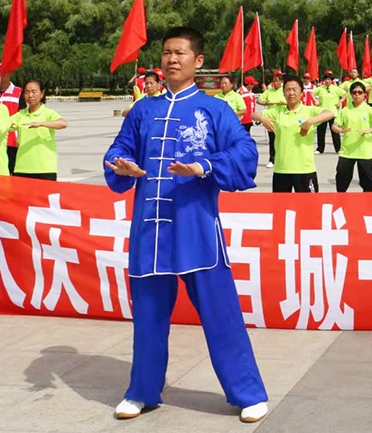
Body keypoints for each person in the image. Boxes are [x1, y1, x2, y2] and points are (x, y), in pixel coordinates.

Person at [103, 27, 268, 423]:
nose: (171, 59)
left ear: (198, 61)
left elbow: (245, 152)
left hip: (196, 229)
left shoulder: (214, 110)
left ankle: (247, 393)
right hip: (150, 230)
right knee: (147, 315)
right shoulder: (143, 110)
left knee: (220, 313)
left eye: (180, 53)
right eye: (166, 53)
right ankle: (143, 391)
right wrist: (120, 164)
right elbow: (119, 149)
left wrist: (204, 165)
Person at [252, 75, 334, 192]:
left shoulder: (309, 111)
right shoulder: (277, 112)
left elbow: (330, 113)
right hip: (282, 169)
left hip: (305, 169)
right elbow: (253, 115)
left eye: (295, 89)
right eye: (287, 90)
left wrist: (309, 122)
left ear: (301, 93)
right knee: (280, 209)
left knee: (309, 208)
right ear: (284, 93)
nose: (291, 93)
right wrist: (262, 118)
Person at [331, 81, 372, 192]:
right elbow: (334, 126)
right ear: (351, 94)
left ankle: (369, 205)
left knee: (368, 182)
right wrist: (340, 130)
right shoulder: (345, 110)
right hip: (347, 151)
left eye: (360, 92)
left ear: (364, 95)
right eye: (354, 92)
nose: (357, 95)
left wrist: (370, 130)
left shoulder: (369, 110)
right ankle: (341, 203)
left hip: (364, 151)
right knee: (341, 180)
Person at [10, 79, 68, 180]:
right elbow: (4, 124)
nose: (30, 95)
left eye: (34, 91)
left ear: (41, 94)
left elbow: (63, 123)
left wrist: (41, 123)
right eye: (27, 92)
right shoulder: (20, 115)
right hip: (22, 168)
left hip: (44, 169)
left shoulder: (48, 113)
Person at [0, 63, 25, 174]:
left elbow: (23, 116)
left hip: (12, 141)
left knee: (13, 171)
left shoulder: (19, 93)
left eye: (1, 73)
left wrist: (21, 137)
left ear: (10, 73)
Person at [256, 70, 286, 167]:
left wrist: (283, 103)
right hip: (270, 119)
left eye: (277, 81)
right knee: (272, 139)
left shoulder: (285, 90)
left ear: (281, 82)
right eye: (274, 81)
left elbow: (293, 102)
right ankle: (272, 159)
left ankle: (283, 159)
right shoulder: (269, 91)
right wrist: (265, 103)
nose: (275, 83)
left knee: (283, 139)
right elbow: (259, 100)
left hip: (283, 117)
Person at [312, 71, 346, 154]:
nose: (327, 81)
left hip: (333, 113)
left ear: (331, 80)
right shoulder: (321, 89)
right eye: (325, 79)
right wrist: (315, 100)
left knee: (335, 132)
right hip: (322, 113)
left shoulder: (336, 88)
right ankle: (320, 148)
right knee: (321, 132)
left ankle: (338, 149)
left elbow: (345, 94)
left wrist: (340, 101)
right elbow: (312, 93)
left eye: (328, 79)